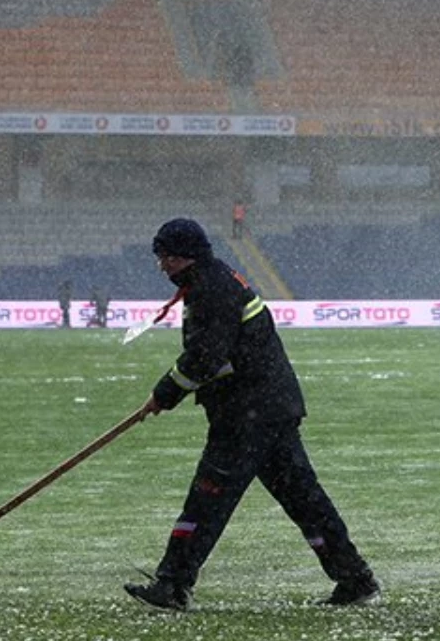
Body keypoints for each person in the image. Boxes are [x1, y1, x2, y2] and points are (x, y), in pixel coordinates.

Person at [124, 218, 378, 610]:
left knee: (208, 499)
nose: (163, 267)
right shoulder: (211, 280)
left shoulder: (211, 290)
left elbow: (206, 357)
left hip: (248, 415)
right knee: (305, 501)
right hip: (266, 408)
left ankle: (173, 584)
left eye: (168, 258)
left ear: (187, 256)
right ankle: (355, 578)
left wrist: (164, 393)